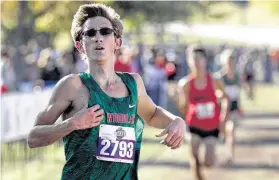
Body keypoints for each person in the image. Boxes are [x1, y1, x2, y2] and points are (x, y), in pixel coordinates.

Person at [27, 3, 185, 180]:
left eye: (105, 31)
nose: (98, 38)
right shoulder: (72, 85)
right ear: (80, 45)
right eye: (90, 33)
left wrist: (175, 120)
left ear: (118, 41)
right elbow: (33, 138)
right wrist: (72, 124)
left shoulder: (133, 83)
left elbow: (153, 114)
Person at [176, 46, 229, 180]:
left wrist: (223, 119)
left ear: (205, 61)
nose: (197, 62)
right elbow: (183, 107)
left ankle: (214, 159)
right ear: (189, 61)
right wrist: (179, 101)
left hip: (212, 127)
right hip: (194, 125)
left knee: (208, 162)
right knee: (195, 160)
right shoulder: (185, 84)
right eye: (194, 59)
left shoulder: (214, 80)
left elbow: (225, 98)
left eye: (200, 59)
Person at [220, 49, 242, 165]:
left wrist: (240, 107)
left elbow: (238, 93)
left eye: (232, 61)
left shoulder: (237, 76)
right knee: (222, 134)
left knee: (232, 131)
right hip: (221, 110)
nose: (230, 63)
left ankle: (230, 156)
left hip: (233, 108)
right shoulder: (220, 77)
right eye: (228, 61)